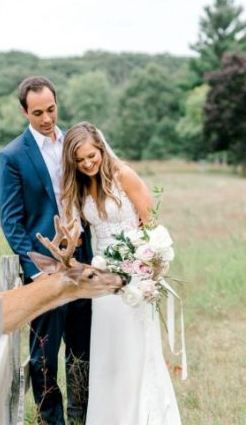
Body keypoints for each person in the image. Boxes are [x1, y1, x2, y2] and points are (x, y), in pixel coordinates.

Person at [60, 122, 181, 424]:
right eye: (80, 160)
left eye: (92, 156)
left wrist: (144, 262)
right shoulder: (78, 187)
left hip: (135, 277)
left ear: (101, 148)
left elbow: (150, 222)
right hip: (102, 282)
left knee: (135, 351)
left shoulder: (122, 175)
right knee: (109, 353)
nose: (88, 164)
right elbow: (73, 230)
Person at [0, 76, 94, 424]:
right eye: (38, 112)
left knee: (83, 350)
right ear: (24, 111)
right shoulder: (11, 157)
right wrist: (38, 273)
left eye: (51, 109)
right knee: (44, 357)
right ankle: (51, 421)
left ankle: (80, 417)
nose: (47, 118)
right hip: (45, 270)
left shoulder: (73, 143)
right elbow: (11, 222)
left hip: (83, 262)